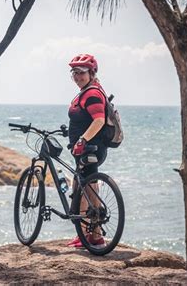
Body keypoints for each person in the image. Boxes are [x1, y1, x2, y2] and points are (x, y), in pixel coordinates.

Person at [66, 53, 107, 248]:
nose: (77, 76)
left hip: (89, 148)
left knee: (85, 189)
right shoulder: (88, 91)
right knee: (87, 186)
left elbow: (98, 120)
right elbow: (85, 119)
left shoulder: (91, 93)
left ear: (91, 73)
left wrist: (82, 139)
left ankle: (89, 235)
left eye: (81, 72)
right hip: (87, 148)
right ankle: (91, 234)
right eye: (74, 72)